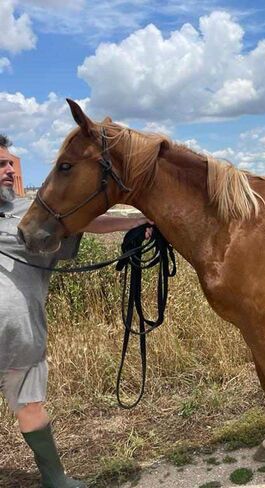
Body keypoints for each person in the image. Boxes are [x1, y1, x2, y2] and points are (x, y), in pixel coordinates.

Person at [0, 134, 151, 487]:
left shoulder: (30, 213)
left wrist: (135, 221)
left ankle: (55, 480)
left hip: (20, 335)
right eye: (1, 165)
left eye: (10, 163)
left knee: (29, 405)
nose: (10, 170)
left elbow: (86, 222)